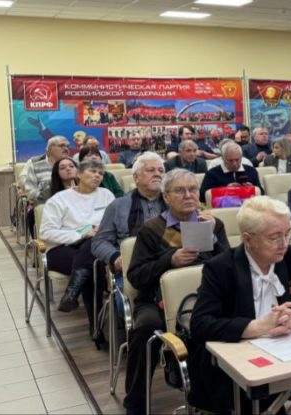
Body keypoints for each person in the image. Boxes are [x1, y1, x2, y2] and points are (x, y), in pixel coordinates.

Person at [189, 197, 291, 415]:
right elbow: (200, 324)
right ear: (248, 239)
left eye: (287, 234)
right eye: (275, 237)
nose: (284, 243)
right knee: (258, 399)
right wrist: (258, 327)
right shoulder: (221, 267)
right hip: (239, 361)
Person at [125, 169, 228, 415]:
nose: (188, 195)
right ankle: (136, 403)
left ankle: (219, 399)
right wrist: (169, 260)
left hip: (203, 296)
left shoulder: (211, 224)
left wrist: (213, 236)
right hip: (156, 299)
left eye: (192, 189)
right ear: (166, 197)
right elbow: (136, 276)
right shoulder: (152, 229)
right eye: (180, 191)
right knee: (145, 328)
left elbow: (231, 266)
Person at [92, 152, 167, 315]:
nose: (157, 174)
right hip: (132, 267)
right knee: (125, 307)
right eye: (151, 170)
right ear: (136, 177)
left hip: (170, 264)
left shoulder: (175, 202)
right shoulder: (118, 206)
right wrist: (115, 257)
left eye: (161, 170)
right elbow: (99, 241)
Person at [40, 159, 114, 321]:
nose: (97, 175)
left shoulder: (106, 195)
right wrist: (81, 234)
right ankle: (97, 326)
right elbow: (46, 232)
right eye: (92, 171)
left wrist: (98, 232)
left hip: (95, 247)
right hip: (61, 249)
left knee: (92, 260)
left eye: (100, 173)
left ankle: (72, 294)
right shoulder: (59, 199)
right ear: (79, 174)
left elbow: (114, 223)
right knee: (93, 267)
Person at [21, 135, 72, 205]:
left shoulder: (73, 165)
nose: (66, 149)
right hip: (44, 204)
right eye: (61, 146)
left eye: (68, 146)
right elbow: (30, 192)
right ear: (50, 150)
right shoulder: (35, 166)